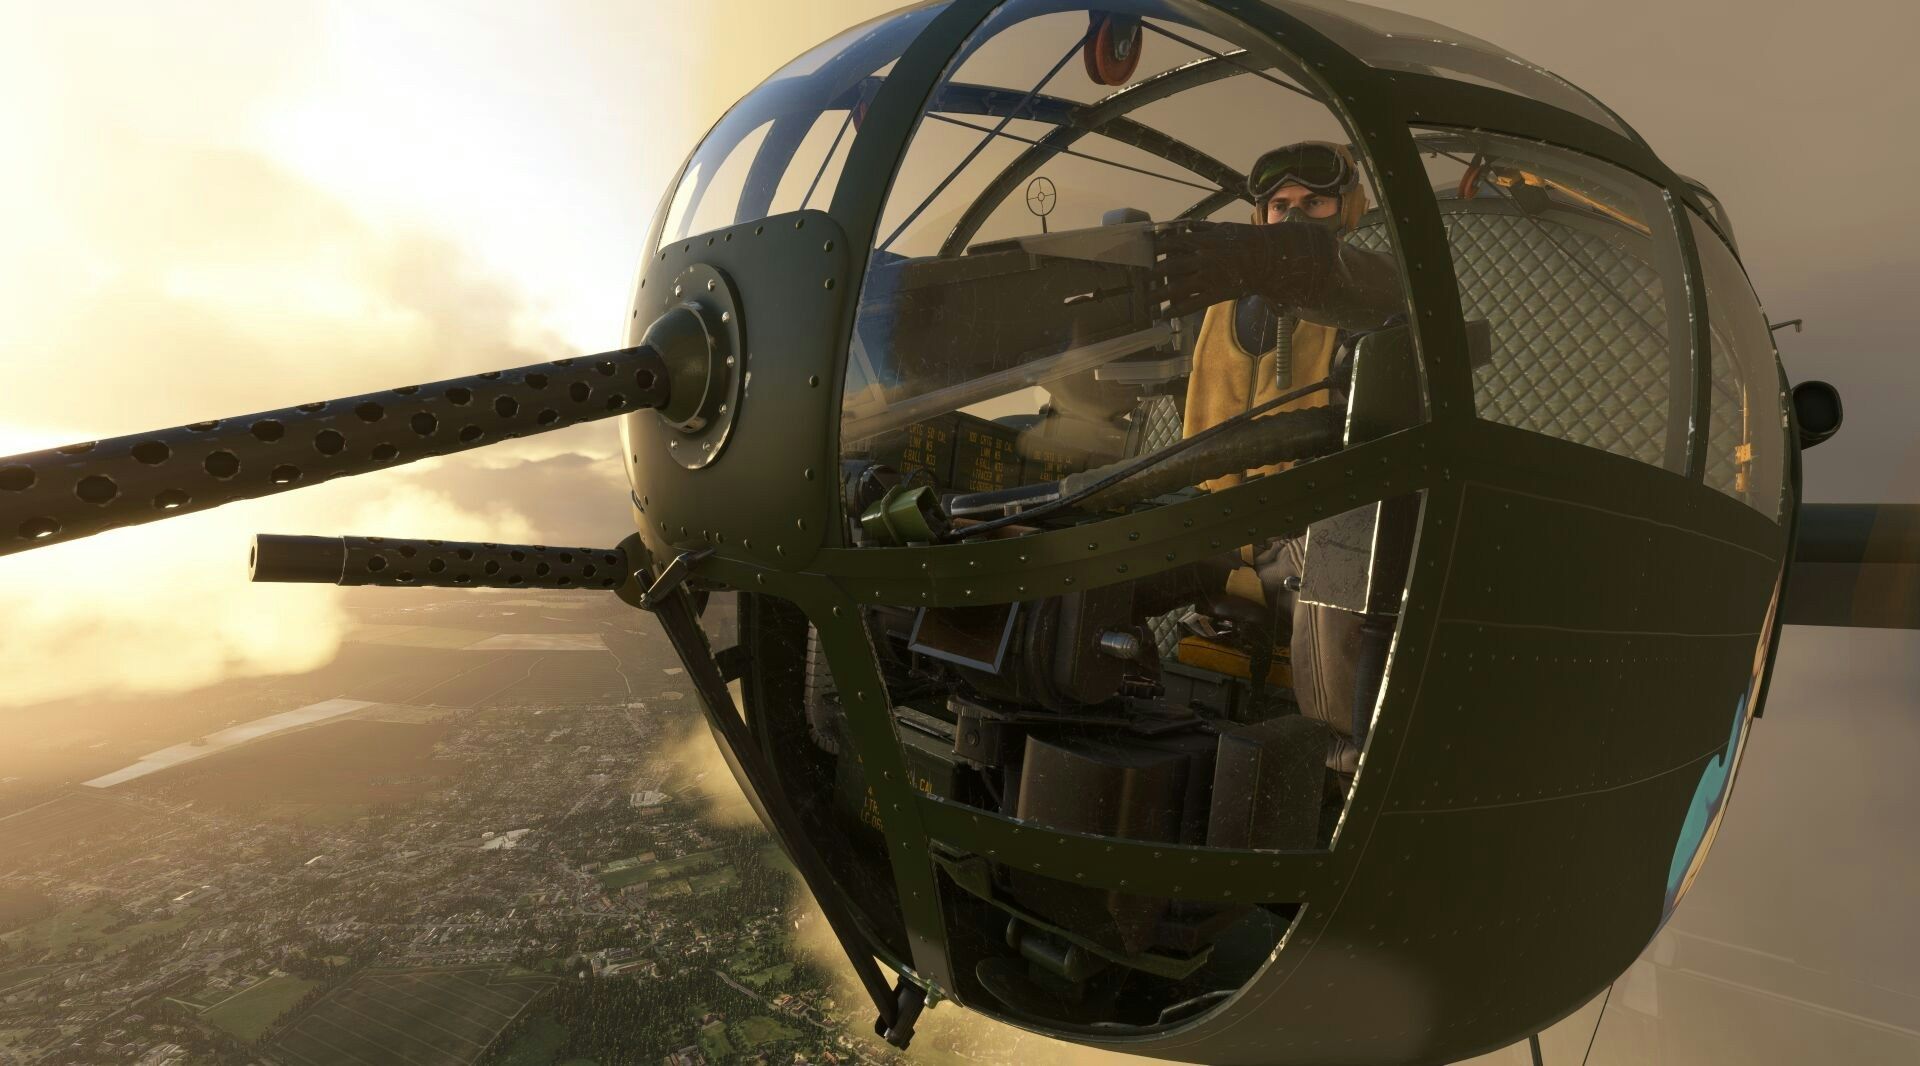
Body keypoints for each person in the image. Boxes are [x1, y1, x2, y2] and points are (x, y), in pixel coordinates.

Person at [1153, 141, 1404, 774]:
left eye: (1314, 202)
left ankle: (1341, 768)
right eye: (1280, 206)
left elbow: (1364, 290)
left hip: (1308, 530)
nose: (1294, 218)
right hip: (1219, 526)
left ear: (1348, 210)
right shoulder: (1217, 302)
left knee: (1342, 556)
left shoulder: (1373, 292)